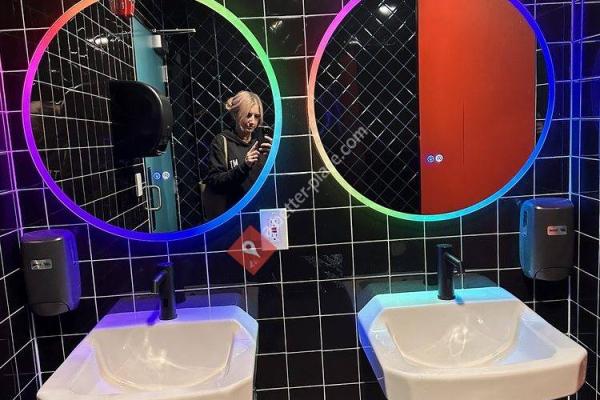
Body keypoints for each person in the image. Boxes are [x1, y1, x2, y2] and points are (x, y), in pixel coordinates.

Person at [203, 91, 272, 220]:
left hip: (261, 213)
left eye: (256, 116)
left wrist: (273, 158)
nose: (252, 121)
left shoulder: (260, 143)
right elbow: (215, 181)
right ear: (235, 115)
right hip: (232, 216)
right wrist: (244, 166)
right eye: (248, 115)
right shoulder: (222, 141)